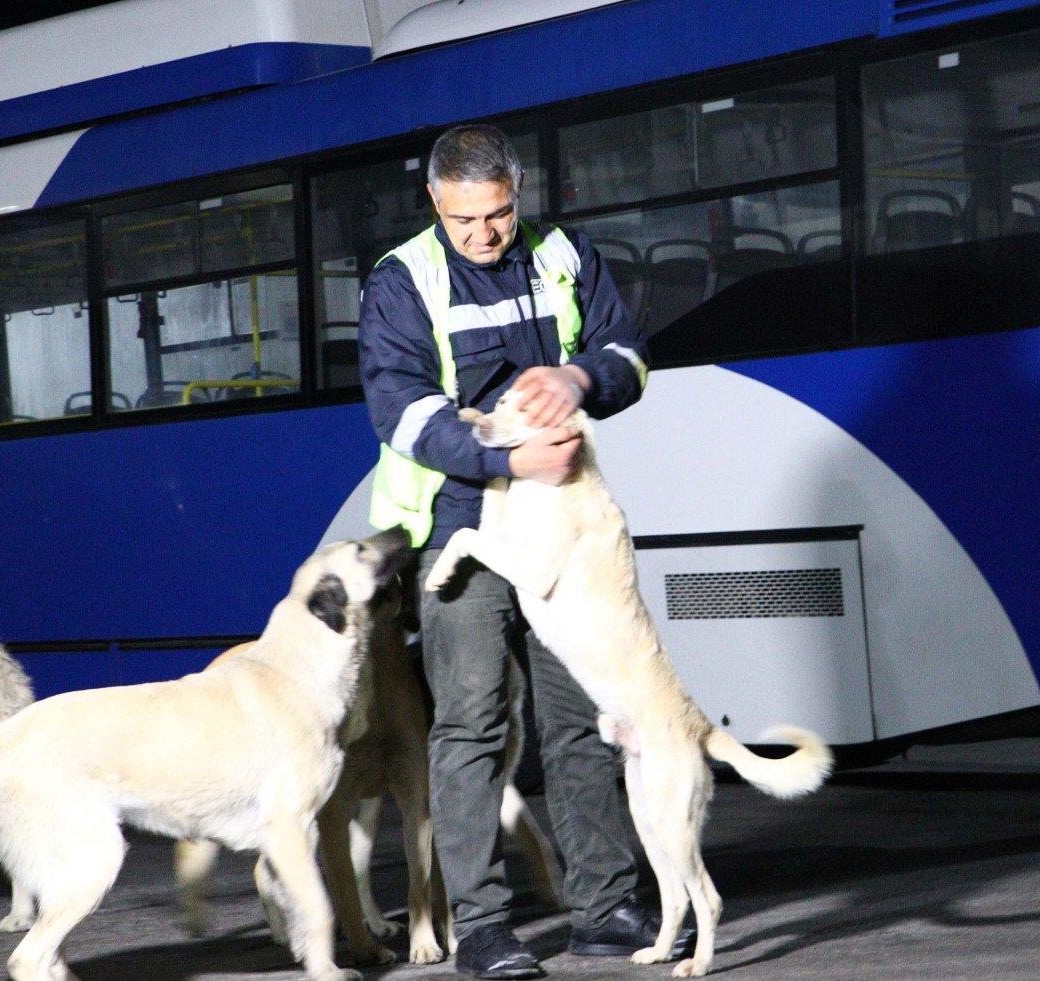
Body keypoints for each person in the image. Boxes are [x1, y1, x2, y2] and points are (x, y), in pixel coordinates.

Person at [358, 124, 692, 979]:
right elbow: (401, 411)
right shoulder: (403, 280)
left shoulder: (563, 254)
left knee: (580, 715)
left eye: (500, 213)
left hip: (562, 518)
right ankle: (481, 926)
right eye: (467, 218)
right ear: (435, 201)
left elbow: (630, 354)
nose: (486, 234)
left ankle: (606, 905)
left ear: (518, 192)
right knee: (471, 719)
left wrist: (578, 378)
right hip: (461, 524)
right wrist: (507, 457)